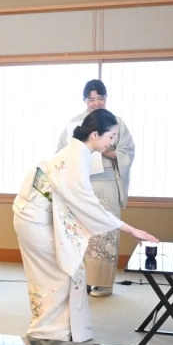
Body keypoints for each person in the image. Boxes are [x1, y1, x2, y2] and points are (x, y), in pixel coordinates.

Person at [13, 109, 158, 341]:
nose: (113, 142)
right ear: (94, 134)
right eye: (110, 136)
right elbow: (86, 202)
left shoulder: (77, 152)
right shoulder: (76, 157)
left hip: (32, 215)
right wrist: (129, 229)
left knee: (63, 272)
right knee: (63, 273)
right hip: (34, 218)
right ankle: (47, 331)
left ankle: (56, 329)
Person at [55, 79, 135, 297]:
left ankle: (103, 282)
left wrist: (108, 151)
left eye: (101, 98)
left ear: (106, 99)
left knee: (105, 230)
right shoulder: (75, 123)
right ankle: (81, 279)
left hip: (107, 181)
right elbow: (60, 153)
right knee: (81, 230)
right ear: (85, 101)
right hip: (82, 182)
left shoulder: (115, 122)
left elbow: (128, 151)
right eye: (92, 99)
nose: (96, 103)